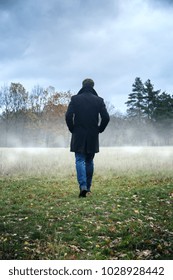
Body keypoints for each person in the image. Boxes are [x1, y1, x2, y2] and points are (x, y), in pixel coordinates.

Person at [65, 78, 110, 197]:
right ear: (93, 86)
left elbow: (68, 116)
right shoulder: (99, 100)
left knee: (79, 159)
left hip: (78, 134)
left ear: (83, 85)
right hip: (92, 134)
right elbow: (106, 117)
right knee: (89, 160)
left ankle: (83, 186)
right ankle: (88, 188)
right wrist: (99, 129)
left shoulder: (75, 99)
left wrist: (72, 129)